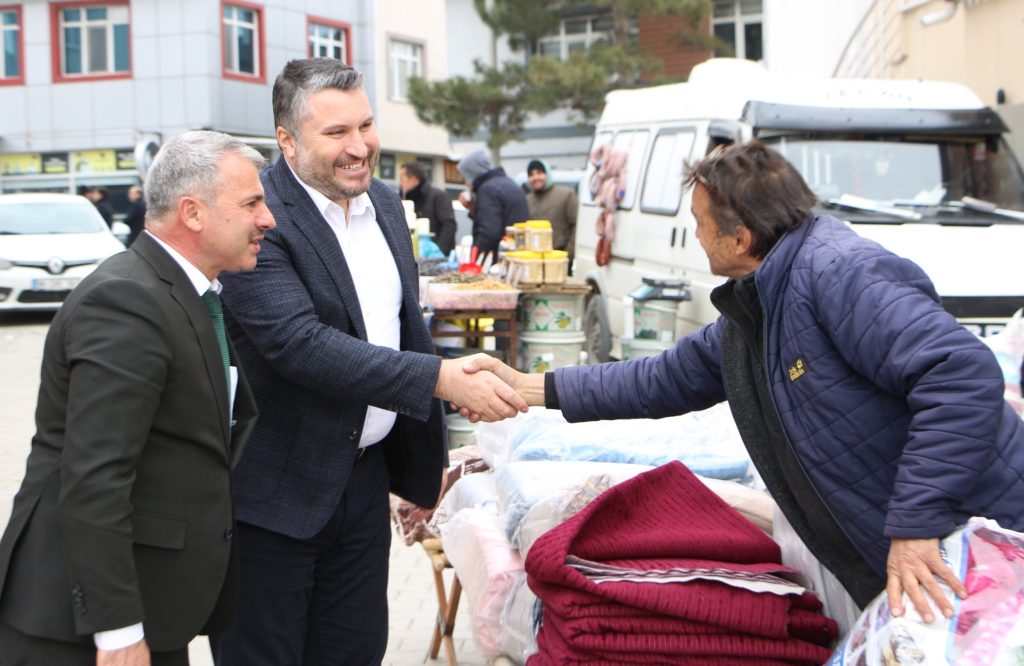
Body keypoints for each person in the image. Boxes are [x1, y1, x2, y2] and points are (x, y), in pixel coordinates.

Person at [461, 140, 1024, 625]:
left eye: (701, 224)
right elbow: (660, 380)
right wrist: (527, 389)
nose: (697, 236)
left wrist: (917, 523)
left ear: (741, 237)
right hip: (927, 551)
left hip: (982, 539)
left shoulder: (839, 272)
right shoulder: (754, 308)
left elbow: (960, 376)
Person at [210, 58, 527, 666]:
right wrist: (439, 379)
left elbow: (402, 328)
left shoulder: (382, 203)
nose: (359, 147)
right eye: (336, 134)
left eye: (366, 125)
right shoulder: (258, 217)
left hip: (361, 487)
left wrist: (425, 458)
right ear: (287, 140)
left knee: (355, 652)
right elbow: (300, 345)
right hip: (275, 495)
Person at [0, 130, 273, 665]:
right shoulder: (126, 301)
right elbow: (94, 476)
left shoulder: (183, 292)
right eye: (252, 203)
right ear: (193, 213)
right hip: (79, 627)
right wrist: (117, 628)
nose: (268, 219)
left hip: (149, 608)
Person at [456, 148, 528, 263]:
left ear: (473, 172)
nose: (466, 183)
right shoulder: (508, 183)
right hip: (517, 254)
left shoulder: (487, 189)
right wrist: (474, 208)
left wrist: (475, 261)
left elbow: (489, 231)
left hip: (499, 259)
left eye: (466, 177)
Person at [525, 158, 578, 265]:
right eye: (531, 175)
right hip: (534, 261)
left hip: (559, 259)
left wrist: (568, 254)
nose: (535, 177)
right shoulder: (527, 200)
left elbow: (576, 225)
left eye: (539, 173)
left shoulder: (566, 195)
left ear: (547, 174)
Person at [399, 161, 457, 257]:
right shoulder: (402, 200)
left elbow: (449, 225)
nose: (400, 183)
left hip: (436, 259)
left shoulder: (438, 196)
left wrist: (438, 252)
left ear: (413, 180)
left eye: (402, 179)